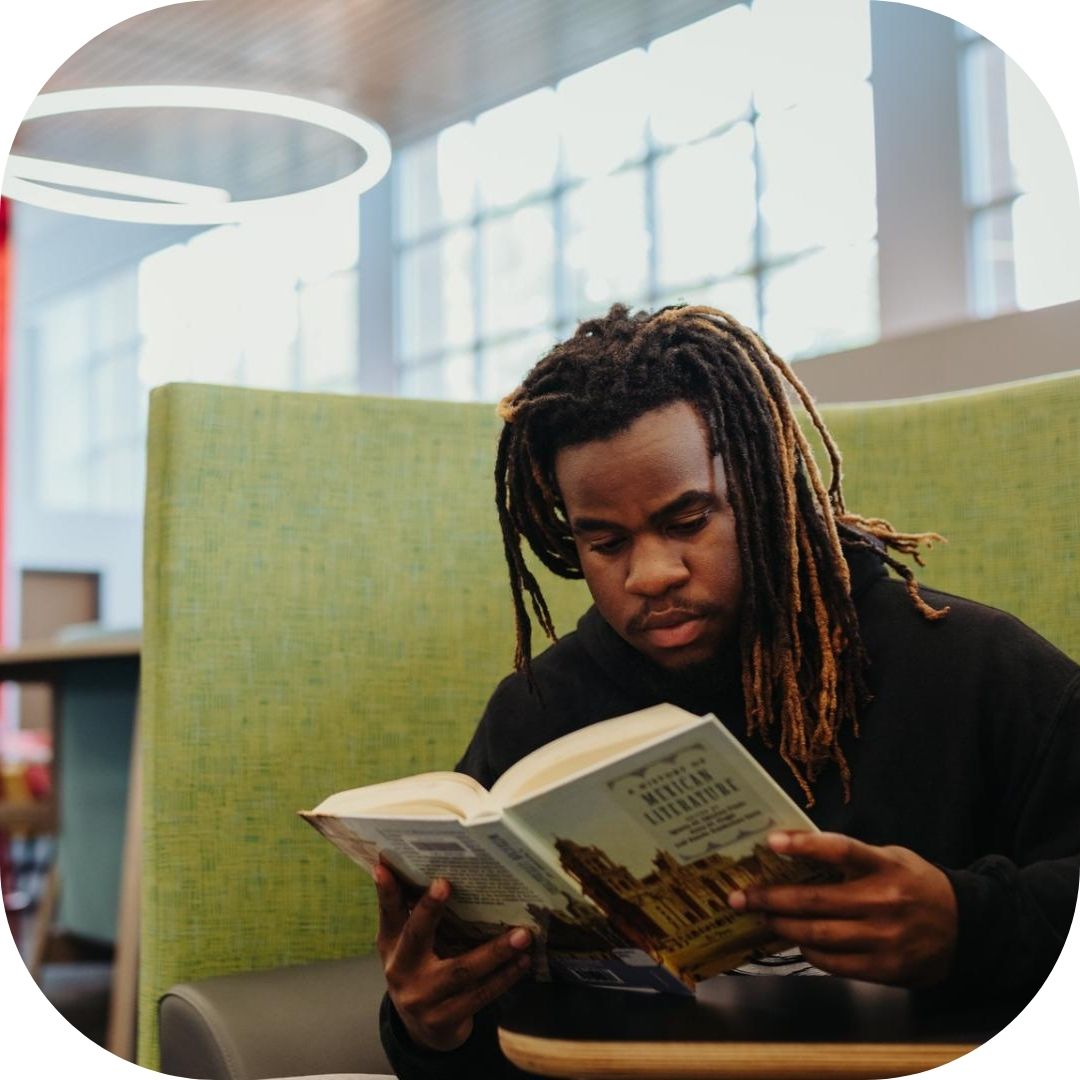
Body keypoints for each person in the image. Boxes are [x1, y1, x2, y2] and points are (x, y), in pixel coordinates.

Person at [375, 304, 1080, 1078]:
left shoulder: (977, 667)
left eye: (689, 519)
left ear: (765, 485)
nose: (651, 575)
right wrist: (428, 1028)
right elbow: (498, 1040)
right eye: (603, 542)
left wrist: (969, 927)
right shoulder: (537, 715)